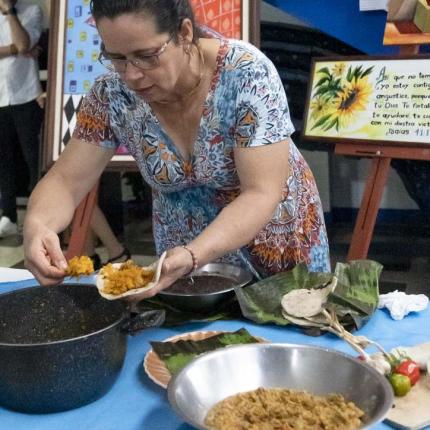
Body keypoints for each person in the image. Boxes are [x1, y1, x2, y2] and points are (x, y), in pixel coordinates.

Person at [23, 0, 330, 300]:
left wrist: (193, 254)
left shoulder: (245, 74)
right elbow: (66, 180)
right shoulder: (112, 95)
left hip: (275, 252)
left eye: (146, 56)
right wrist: (38, 225)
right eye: (116, 57)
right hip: (185, 268)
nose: (131, 74)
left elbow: (261, 192)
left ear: (184, 33)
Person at [0, 0, 43, 237]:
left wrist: (9, 12)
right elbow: (21, 45)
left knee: (33, 158)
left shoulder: (32, 10)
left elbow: (24, 41)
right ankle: (8, 215)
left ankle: (40, 216)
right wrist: (16, 49)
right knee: (3, 160)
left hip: (27, 95)